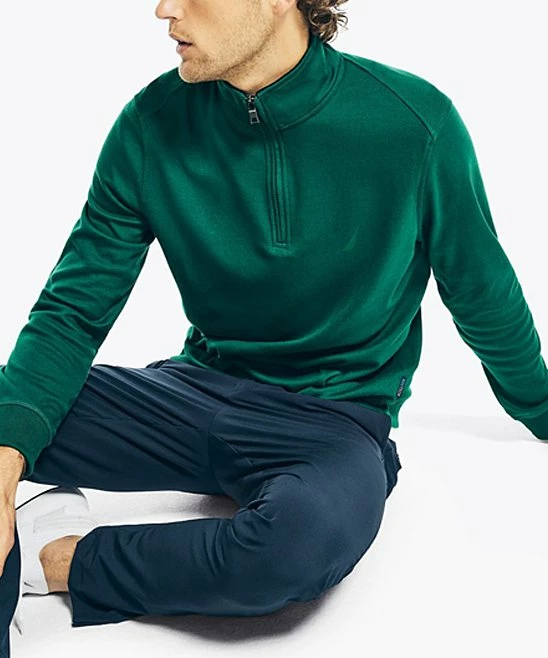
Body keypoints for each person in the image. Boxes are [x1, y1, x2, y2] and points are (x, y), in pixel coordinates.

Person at [1, 0, 547, 653]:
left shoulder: (412, 124)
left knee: (294, 547)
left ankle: (52, 556)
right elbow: (72, 311)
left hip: (333, 422)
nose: (164, 9)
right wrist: (6, 459)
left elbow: (482, 293)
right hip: (187, 396)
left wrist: (542, 407)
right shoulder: (151, 124)